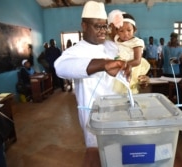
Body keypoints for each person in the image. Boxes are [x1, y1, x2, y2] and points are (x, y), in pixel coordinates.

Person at [54, 1, 131, 148]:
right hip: (94, 116)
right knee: (98, 152)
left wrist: (130, 75)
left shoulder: (112, 46)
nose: (103, 30)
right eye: (97, 26)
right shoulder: (75, 51)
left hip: (117, 110)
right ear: (84, 26)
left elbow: (120, 72)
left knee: (117, 151)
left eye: (104, 26)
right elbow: (60, 67)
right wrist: (103, 64)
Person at [109, 11, 150, 94]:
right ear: (117, 31)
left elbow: (137, 60)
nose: (125, 34)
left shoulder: (136, 42)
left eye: (129, 30)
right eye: (121, 31)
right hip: (120, 69)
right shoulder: (116, 39)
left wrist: (124, 65)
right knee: (118, 91)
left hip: (132, 67)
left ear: (134, 30)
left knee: (131, 89)